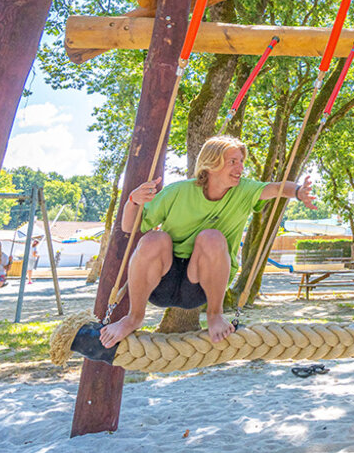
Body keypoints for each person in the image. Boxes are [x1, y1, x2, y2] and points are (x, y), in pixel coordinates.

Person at [99, 135, 315, 348]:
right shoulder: (178, 192)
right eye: (233, 161)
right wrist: (133, 201)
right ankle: (133, 317)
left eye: (241, 162)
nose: (240, 167)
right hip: (160, 281)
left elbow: (277, 188)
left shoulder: (244, 191)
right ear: (211, 164)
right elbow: (130, 228)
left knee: (211, 237)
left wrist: (298, 192)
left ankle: (215, 315)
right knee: (155, 238)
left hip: (202, 285)